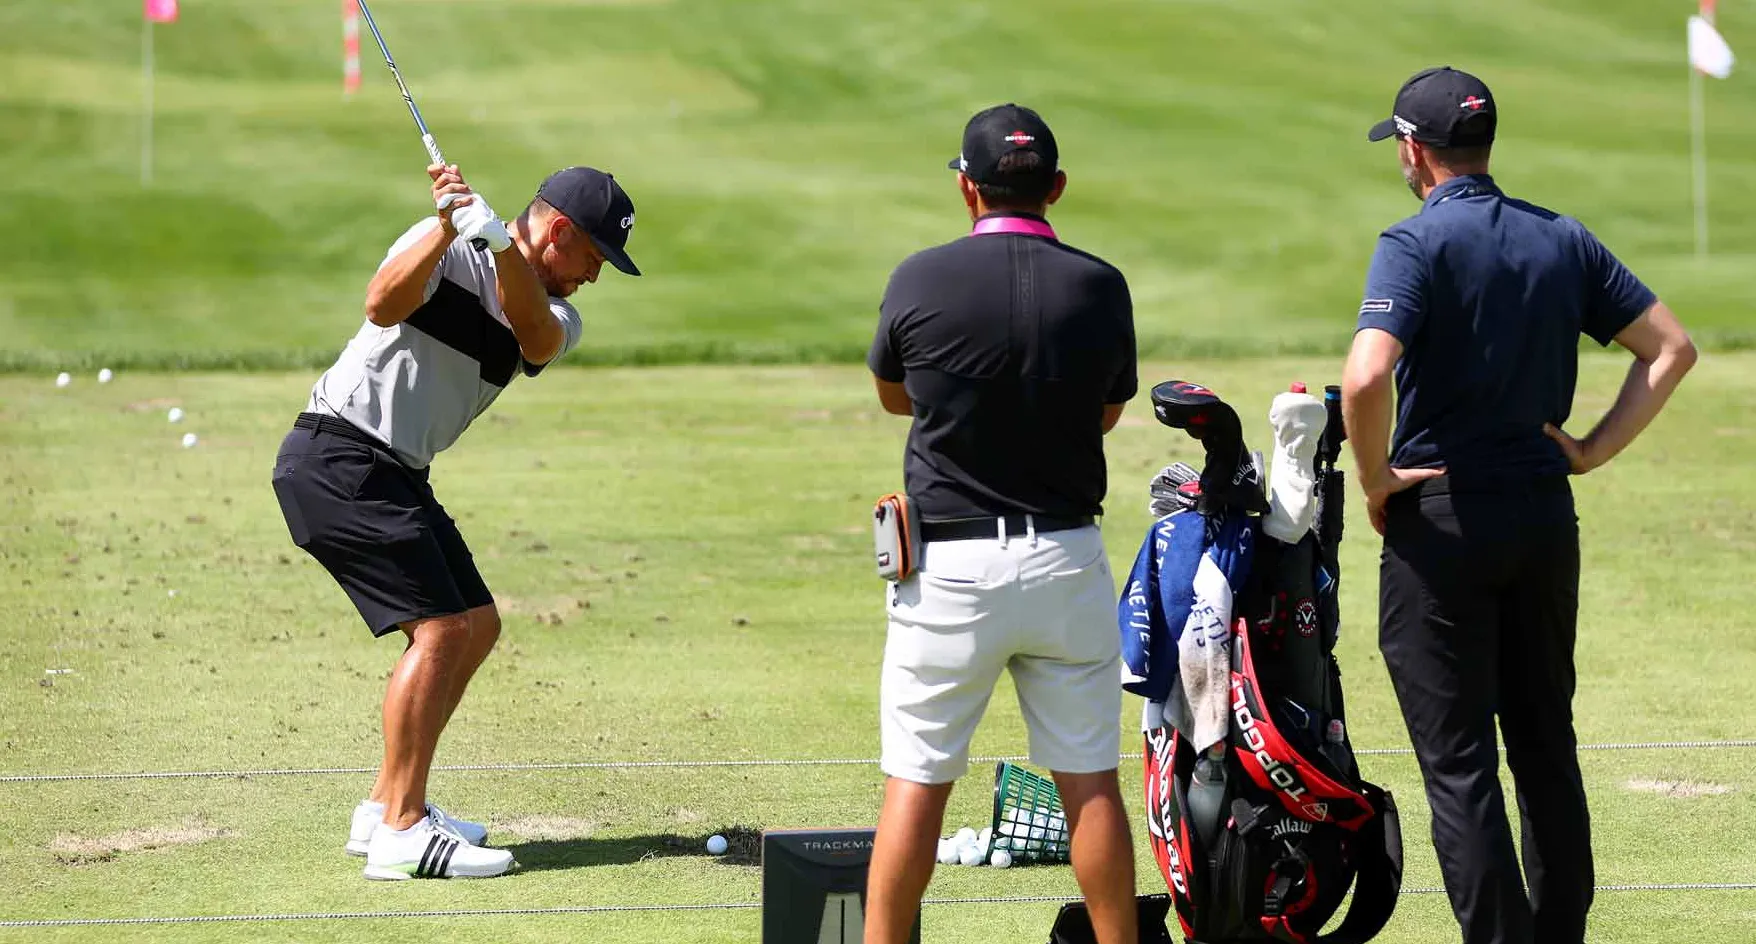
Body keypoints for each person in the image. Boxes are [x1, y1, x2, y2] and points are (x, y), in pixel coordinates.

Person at [1342, 66, 1696, 944]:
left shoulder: (1413, 243)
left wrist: (1375, 477)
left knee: (1459, 764)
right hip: (1541, 516)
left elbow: (1366, 374)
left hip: (1443, 523)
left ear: (1414, 151)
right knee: (1544, 742)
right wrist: (1589, 450)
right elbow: (1671, 349)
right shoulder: (1561, 237)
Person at [270, 163, 641, 880]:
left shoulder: (559, 311)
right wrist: (446, 227)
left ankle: (384, 807)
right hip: (338, 454)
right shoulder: (444, 245)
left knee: (476, 621)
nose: (592, 278)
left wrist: (501, 245)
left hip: (396, 471)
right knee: (439, 630)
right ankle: (404, 831)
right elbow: (381, 305)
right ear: (560, 231)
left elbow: (532, 337)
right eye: (593, 258)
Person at [862, 103, 1139, 944]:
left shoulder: (918, 277)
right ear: (1054, 187)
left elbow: (893, 395)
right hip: (1065, 561)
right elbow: (1107, 413)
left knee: (916, 783)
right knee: (1090, 784)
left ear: (966, 188)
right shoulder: (1100, 283)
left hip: (947, 571)